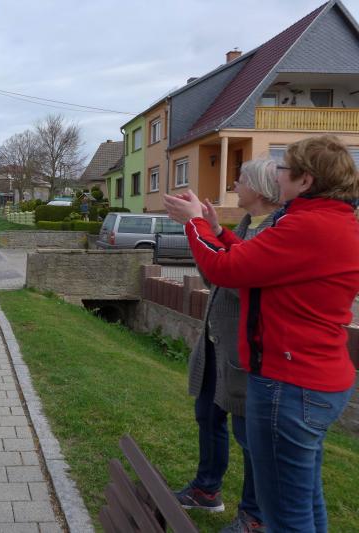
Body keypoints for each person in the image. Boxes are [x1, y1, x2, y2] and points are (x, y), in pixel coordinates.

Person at [164, 135, 359, 532]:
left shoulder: (307, 226)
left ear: (305, 180)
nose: (277, 176)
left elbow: (225, 270)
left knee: (285, 516)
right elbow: (255, 261)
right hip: (314, 378)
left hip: (289, 383)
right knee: (305, 501)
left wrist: (194, 224)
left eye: (283, 169)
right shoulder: (329, 221)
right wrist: (217, 231)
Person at [174, 159, 281, 533]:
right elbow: (216, 276)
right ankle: (206, 489)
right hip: (216, 344)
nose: (235, 184)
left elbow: (238, 282)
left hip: (244, 353)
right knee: (207, 415)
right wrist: (214, 231)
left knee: (249, 437)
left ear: (260, 188)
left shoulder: (273, 232)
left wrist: (199, 227)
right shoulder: (247, 226)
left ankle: (255, 516)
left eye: (241, 179)